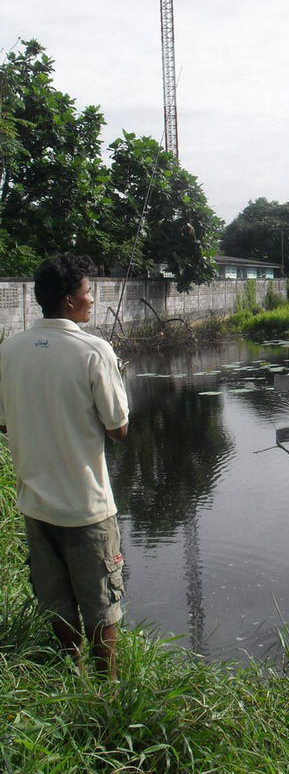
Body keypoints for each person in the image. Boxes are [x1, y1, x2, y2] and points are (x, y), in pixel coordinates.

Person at [0, 253, 129, 678]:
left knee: (54, 601)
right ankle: (107, 692)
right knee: (101, 609)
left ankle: (71, 680)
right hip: (85, 508)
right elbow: (118, 428)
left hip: (35, 506)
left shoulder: (10, 350)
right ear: (69, 301)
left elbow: (3, 422)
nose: (92, 300)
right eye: (88, 293)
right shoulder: (95, 350)